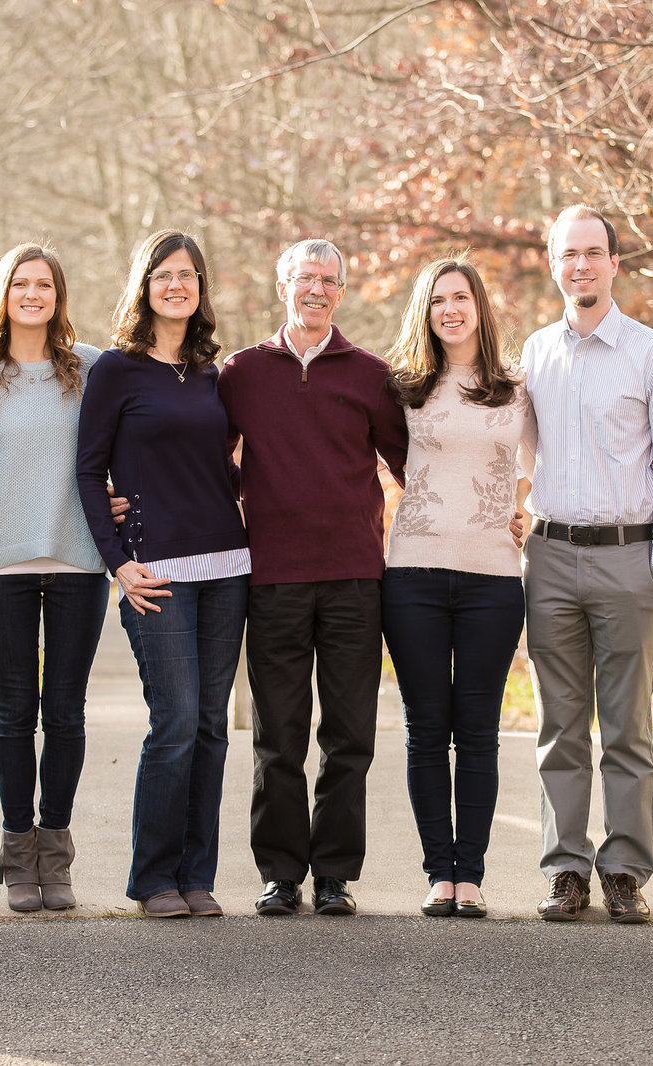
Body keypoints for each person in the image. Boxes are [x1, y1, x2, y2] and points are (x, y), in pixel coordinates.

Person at [522, 205, 653, 924]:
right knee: (559, 726)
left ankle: (625, 867)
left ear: (614, 263)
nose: (581, 266)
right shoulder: (533, 354)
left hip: (630, 557)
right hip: (551, 556)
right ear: (553, 263)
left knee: (627, 725)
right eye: (569, 254)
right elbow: (512, 453)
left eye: (593, 253)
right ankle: (566, 867)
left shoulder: (652, 355)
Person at [219, 238, 408, 917]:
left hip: (356, 579)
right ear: (283, 287)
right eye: (306, 279)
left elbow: (411, 464)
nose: (317, 291)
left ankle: (333, 875)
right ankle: (279, 874)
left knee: (349, 735)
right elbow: (206, 462)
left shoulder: (370, 375)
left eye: (330, 281)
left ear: (342, 292)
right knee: (279, 736)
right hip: (273, 580)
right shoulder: (242, 372)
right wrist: (253, 489)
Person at [76, 229, 250, 919]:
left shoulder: (214, 374)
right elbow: (89, 471)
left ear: (201, 288)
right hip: (156, 574)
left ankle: (195, 874)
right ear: (143, 286)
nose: (177, 285)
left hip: (228, 566)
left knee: (212, 726)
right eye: (163, 274)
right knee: (174, 721)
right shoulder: (117, 370)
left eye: (188, 275)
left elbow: (225, 468)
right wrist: (118, 562)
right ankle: (153, 878)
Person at [0, 243, 106, 912]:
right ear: (4, 294)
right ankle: (17, 855)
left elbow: (117, 451)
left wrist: (121, 498)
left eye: (44, 283)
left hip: (78, 560)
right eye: (21, 283)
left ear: (58, 295)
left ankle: (57, 855)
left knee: (66, 711)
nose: (33, 294)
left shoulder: (92, 370)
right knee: (15, 711)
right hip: (1, 566)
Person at [382, 257, 535, 919]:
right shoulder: (404, 386)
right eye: (439, 299)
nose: (450, 309)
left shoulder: (517, 385)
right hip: (412, 571)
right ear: (426, 310)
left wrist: (525, 504)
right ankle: (436, 873)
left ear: (479, 307)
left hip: (493, 578)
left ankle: (468, 876)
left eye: (461, 297)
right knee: (425, 729)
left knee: (477, 731)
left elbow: (547, 458)